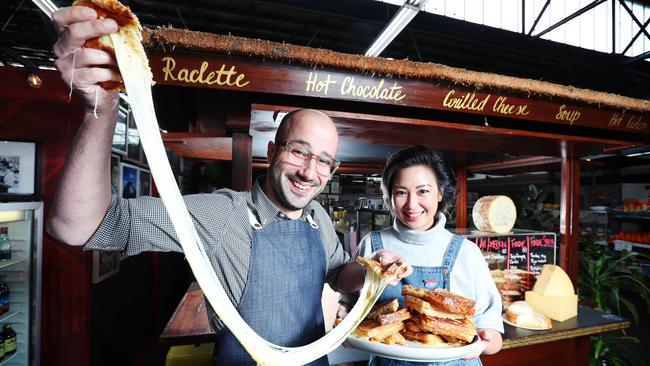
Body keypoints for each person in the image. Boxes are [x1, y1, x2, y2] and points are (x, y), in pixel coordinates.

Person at [46, 5, 413, 366]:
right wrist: (102, 107)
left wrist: (370, 271)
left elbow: (337, 275)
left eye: (322, 161)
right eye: (299, 152)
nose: (308, 172)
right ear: (271, 152)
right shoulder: (222, 214)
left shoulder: (316, 215)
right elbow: (77, 226)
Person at [339, 145, 503, 365]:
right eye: (401, 192)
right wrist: (344, 328)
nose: (411, 204)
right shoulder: (372, 244)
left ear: (440, 193)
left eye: (423, 191)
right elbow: (348, 312)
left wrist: (483, 343)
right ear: (390, 195)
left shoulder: (466, 252)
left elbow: (493, 338)